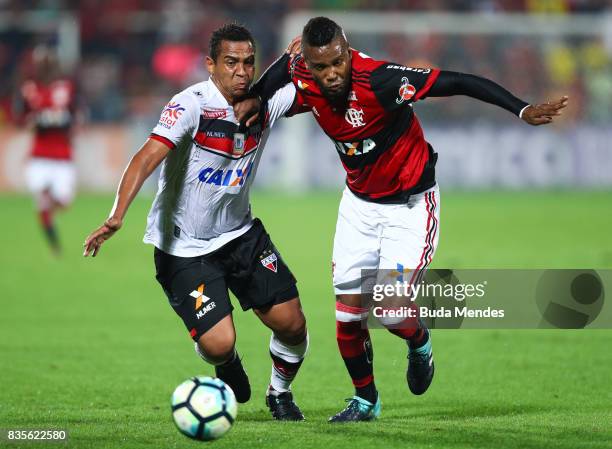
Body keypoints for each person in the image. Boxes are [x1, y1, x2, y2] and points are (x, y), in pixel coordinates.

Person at [240, 16, 568, 422]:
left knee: (391, 308)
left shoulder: (382, 80)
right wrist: (254, 96)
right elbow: (278, 74)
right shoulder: (302, 71)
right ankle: (365, 400)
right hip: (359, 208)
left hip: (410, 209)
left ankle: (420, 343)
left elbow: (459, 81)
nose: (331, 74)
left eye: (338, 62)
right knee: (347, 315)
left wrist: (521, 109)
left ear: (347, 49)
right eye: (320, 67)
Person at [83, 24, 308, 421]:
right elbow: (145, 156)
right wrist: (117, 215)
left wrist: (306, 58)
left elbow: (322, 86)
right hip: (183, 248)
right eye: (231, 62)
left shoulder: (264, 102)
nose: (242, 71)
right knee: (220, 344)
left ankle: (280, 392)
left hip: (240, 235)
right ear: (211, 65)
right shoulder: (192, 104)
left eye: (249, 63)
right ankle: (227, 361)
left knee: (292, 324)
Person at [15, 46, 78, 255]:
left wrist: (65, 123)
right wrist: (35, 122)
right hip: (39, 156)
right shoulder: (29, 89)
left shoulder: (65, 87)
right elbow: (22, 119)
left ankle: (50, 208)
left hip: (62, 156)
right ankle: (55, 247)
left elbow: (75, 115)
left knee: (64, 201)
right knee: (42, 200)